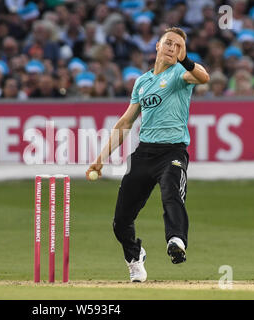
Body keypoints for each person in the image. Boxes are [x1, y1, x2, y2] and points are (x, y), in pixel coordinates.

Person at [86, 27, 209, 282]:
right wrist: (100, 159)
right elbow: (125, 123)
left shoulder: (180, 74)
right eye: (169, 43)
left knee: (171, 191)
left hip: (173, 151)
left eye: (178, 45)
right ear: (157, 46)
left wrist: (186, 60)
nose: (173, 48)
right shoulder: (142, 82)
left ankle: (176, 240)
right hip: (144, 153)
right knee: (121, 221)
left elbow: (204, 77)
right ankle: (134, 256)